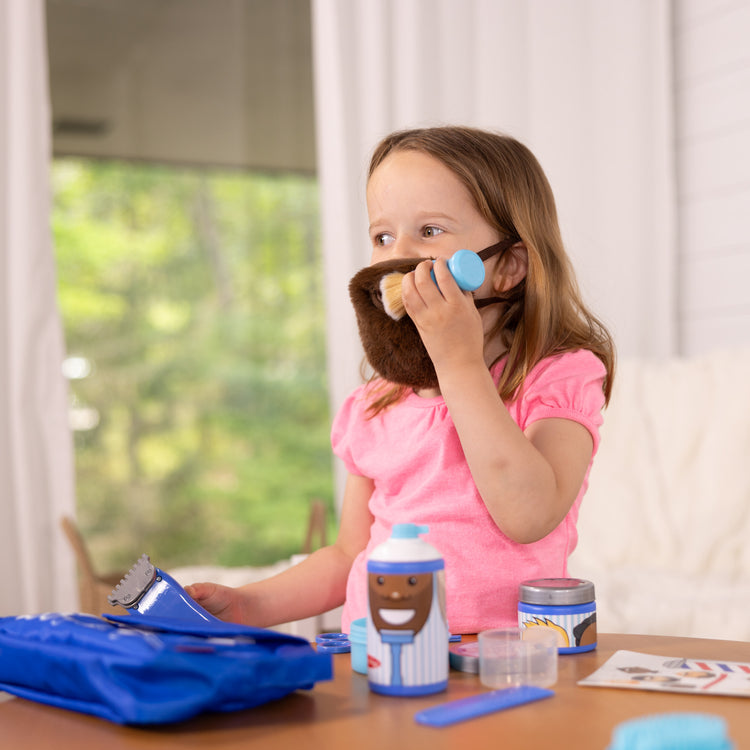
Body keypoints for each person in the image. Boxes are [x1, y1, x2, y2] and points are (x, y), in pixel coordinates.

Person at [186, 126, 615, 634]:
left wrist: (459, 365)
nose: (397, 255)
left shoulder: (559, 377)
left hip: (505, 663)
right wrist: (247, 606)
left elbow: (528, 515)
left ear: (508, 267)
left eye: (430, 231)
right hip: (381, 660)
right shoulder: (375, 404)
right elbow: (349, 552)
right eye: (382, 236)